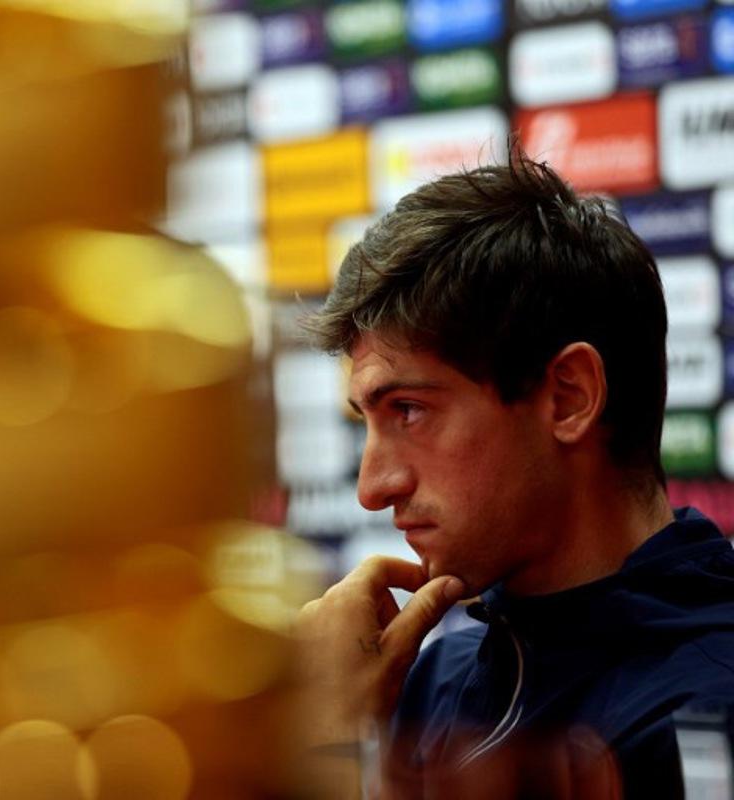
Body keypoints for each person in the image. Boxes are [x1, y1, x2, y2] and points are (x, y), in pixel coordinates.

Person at [294, 151, 734, 798]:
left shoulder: (706, 710)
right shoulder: (424, 679)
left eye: (409, 411)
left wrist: (324, 748)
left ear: (568, 397)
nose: (372, 488)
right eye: (367, 421)